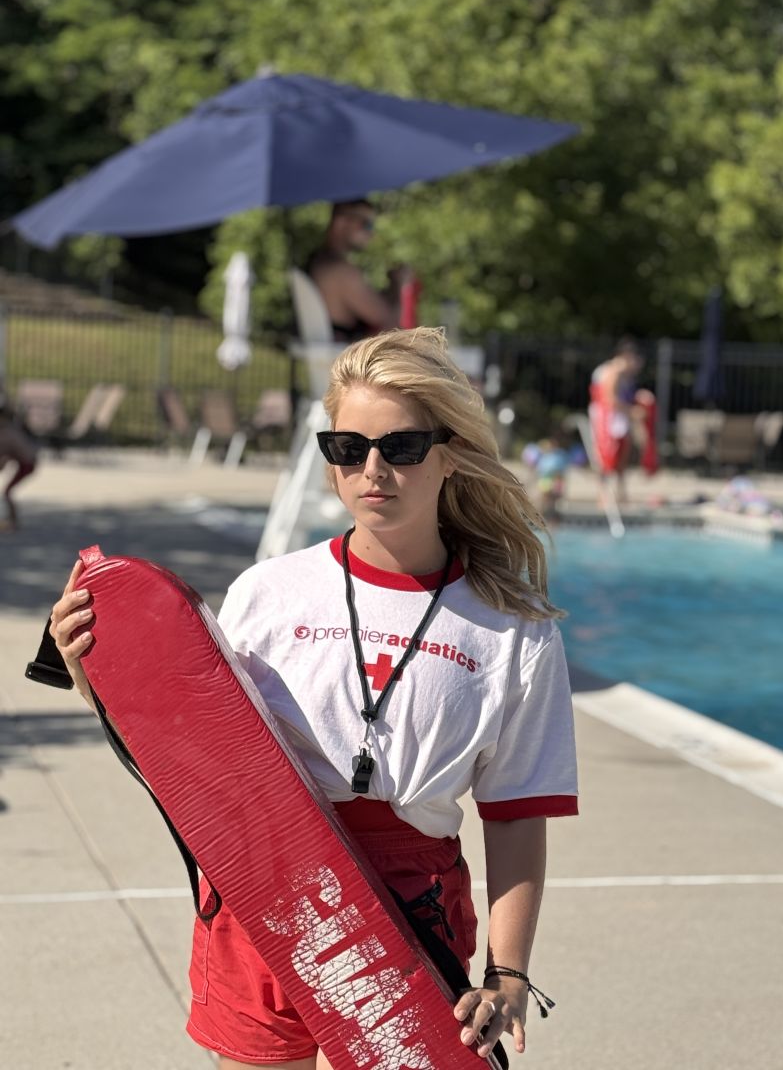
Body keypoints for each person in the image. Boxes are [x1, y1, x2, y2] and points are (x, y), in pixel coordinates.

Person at [48, 326, 579, 1069]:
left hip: (411, 897)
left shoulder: (512, 628)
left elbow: (516, 810)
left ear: (451, 453)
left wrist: (509, 971)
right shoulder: (269, 592)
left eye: (401, 447)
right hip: (263, 874)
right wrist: (91, 671)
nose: (372, 470)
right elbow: (187, 748)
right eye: (347, 447)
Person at [307, 198, 412, 342]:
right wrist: (400, 283)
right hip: (348, 354)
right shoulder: (340, 272)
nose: (371, 233)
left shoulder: (319, 261)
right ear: (340, 222)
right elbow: (392, 327)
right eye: (367, 225)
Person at [588, 336, 655, 504]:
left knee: (620, 455)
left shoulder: (624, 375)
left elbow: (623, 397)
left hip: (616, 418)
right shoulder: (613, 372)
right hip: (607, 419)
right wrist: (633, 411)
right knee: (606, 455)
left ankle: (618, 493)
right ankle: (604, 495)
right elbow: (609, 400)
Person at [0, 388, 38, 531]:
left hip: (27, 464)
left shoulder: (6, 433)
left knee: (7, 492)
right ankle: (12, 520)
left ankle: (13, 521)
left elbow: (4, 455)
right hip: (27, 460)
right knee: (7, 491)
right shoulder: (12, 428)